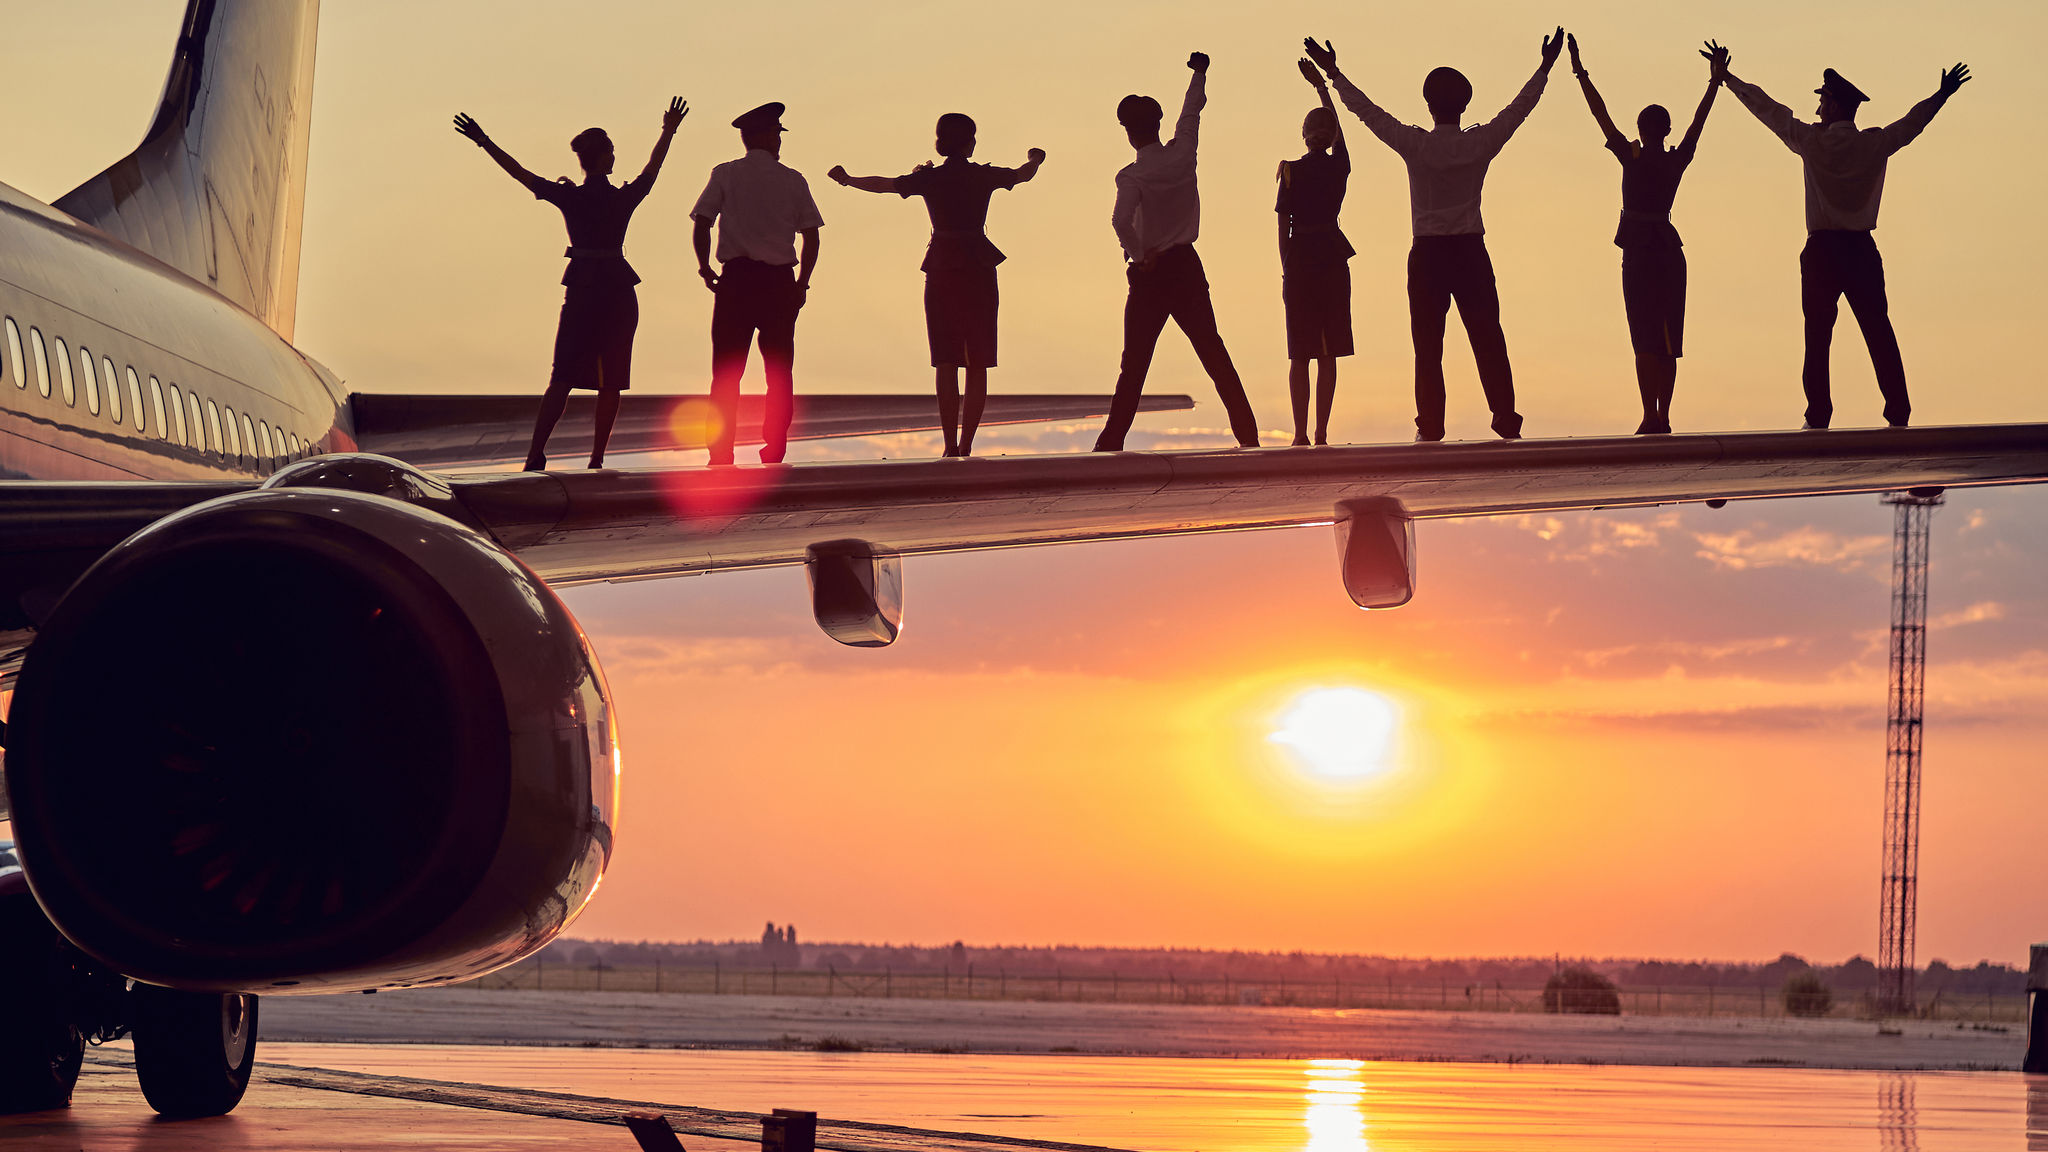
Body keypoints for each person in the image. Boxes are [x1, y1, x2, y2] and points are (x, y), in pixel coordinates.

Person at [1305, 31, 1565, 442]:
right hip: (1469, 252)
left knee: (1428, 346)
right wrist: (1545, 68)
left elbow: (1368, 113)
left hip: (1427, 255)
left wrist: (1333, 74)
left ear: (1428, 105)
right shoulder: (1479, 143)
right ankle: (1505, 419)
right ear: (1464, 106)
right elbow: (1519, 110)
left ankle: (1430, 425)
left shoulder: (1415, 144)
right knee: (1488, 337)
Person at [1711, 48, 1971, 429]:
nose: (1816, 109)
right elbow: (1911, 124)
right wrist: (1941, 95)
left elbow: (1768, 110)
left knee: (1817, 336)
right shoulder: (1873, 144)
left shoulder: (1812, 142)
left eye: (1821, 102)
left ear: (1832, 108)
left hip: (1822, 252)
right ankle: (1898, 410)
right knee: (1878, 330)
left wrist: (1727, 79)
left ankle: (1818, 414)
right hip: (1861, 250)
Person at [453, 98, 687, 470]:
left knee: (561, 376)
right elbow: (652, 170)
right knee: (611, 380)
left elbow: (520, 173)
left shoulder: (571, 197)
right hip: (617, 292)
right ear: (606, 156)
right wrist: (668, 131)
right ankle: (596, 458)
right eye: (611, 150)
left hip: (581, 290)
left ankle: (535, 453)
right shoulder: (620, 198)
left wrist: (484, 141)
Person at [828, 116, 1047, 457]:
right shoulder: (981, 175)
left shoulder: (929, 178)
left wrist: (847, 180)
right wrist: (1036, 157)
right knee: (978, 360)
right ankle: (966, 444)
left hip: (942, 266)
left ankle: (949, 446)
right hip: (977, 266)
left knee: (945, 359)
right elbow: (1023, 174)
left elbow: (884, 184)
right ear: (969, 143)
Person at [1095, 51, 1261, 454]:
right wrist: (1200, 74)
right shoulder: (1183, 154)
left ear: (1130, 132)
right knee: (1213, 353)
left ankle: (1111, 444)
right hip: (1186, 267)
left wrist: (1138, 256)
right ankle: (1249, 436)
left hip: (1151, 274)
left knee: (1134, 365)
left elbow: (1119, 222)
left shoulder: (1131, 176)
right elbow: (1191, 113)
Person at [1568, 36, 1725, 434]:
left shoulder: (1631, 155)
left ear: (1640, 129)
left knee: (1644, 337)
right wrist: (1713, 83)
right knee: (1668, 339)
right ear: (1666, 130)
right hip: (1667, 251)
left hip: (1640, 252)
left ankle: (1650, 414)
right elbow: (1699, 123)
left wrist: (1580, 72)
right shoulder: (1675, 159)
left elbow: (1599, 114)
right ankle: (1662, 415)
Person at [692, 103, 825, 465]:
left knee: (726, 372)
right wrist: (802, 283)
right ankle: (775, 446)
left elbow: (702, 221)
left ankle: (720, 450)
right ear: (766, 136)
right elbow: (811, 237)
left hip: (736, 282)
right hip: (779, 284)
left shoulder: (725, 174)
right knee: (779, 372)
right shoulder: (793, 180)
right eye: (776, 133)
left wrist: (705, 268)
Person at [1280, 57, 1355, 447]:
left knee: (1310, 353)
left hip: (1309, 259)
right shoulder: (1315, 168)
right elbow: (1282, 224)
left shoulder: (1298, 169)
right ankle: (1308, 432)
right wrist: (1321, 88)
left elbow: (1282, 227)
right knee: (1312, 354)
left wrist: (1285, 266)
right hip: (1320, 258)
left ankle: (1310, 433)